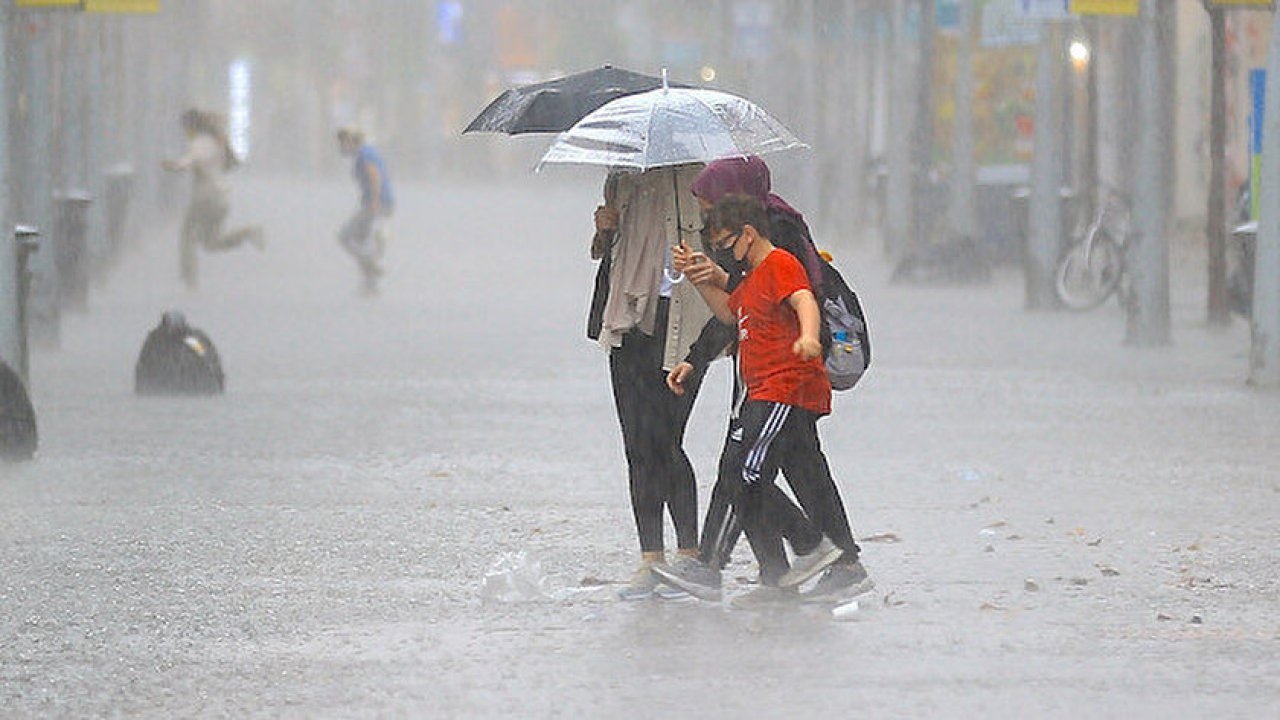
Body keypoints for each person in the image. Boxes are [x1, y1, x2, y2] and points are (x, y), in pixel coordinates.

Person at [656, 182, 871, 606]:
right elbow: (729, 313)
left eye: (726, 243)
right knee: (753, 475)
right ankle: (784, 570)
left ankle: (810, 547)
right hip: (762, 390)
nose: (725, 252)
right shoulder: (752, 277)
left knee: (744, 476)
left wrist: (809, 336)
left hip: (782, 389)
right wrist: (698, 281)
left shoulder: (779, 262)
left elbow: (804, 300)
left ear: (748, 233)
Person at [587, 164, 716, 600]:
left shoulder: (700, 180)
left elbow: (726, 253)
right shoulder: (622, 178)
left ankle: (689, 553)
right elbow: (608, 254)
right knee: (637, 446)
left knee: (666, 440)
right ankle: (651, 559)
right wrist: (604, 229)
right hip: (627, 321)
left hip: (684, 323)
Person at [162, 108, 264, 290]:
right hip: (220, 199)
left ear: (191, 127)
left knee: (187, 236)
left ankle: (190, 280)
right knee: (211, 243)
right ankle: (248, 233)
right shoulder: (216, 142)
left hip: (205, 198)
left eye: (185, 127)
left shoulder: (202, 142)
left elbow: (195, 159)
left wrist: (175, 165)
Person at [336, 126, 395, 296]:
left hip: (375, 204)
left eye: (342, 143)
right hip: (377, 203)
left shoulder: (364, 154)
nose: (341, 148)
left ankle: (370, 266)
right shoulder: (366, 152)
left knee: (346, 237)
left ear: (349, 141)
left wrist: (375, 201)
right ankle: (370, 284)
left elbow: (374, 175)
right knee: (364, 242)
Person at [134, 311, 225, 396]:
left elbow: (207, 358)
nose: (173, 330)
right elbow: (145, 362)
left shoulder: (192, 340)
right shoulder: (156, 341)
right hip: (162, 388)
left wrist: (216, 380)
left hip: (193, 387)